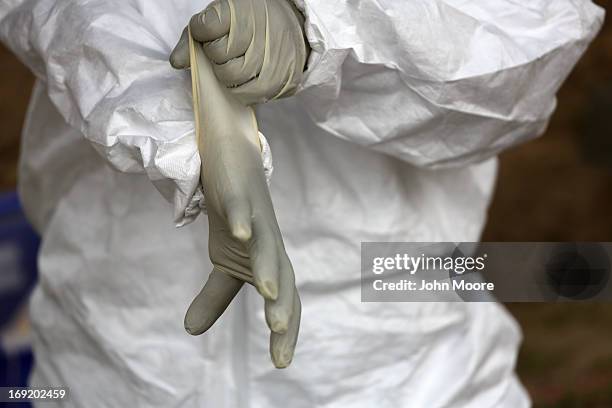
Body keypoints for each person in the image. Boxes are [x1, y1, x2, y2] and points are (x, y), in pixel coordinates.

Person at [0, 0, 604, 406]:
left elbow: (528, 45)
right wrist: (196, 140)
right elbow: (56, 12)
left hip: (407, 370)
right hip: (109, 357)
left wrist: (324, 32)